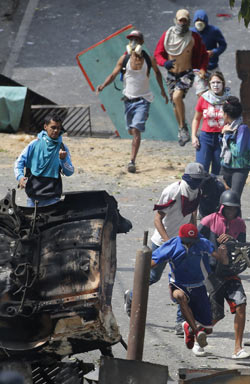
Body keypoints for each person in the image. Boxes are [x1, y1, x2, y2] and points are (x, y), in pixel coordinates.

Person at [124, 162, 206, 336]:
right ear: (188, 178)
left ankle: (180, 322)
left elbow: (193, 216)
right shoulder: (173, 191)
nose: (198, 183)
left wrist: (193, 237)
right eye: (196, 180)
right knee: (152, 277)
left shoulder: (197, 192)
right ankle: (131, 295)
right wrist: (169, 244)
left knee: (183, 282)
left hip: (183, 243)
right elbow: (157, 220)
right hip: (163, 242)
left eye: (200, 180)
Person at [97, 30, 168, 173]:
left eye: (136, 39)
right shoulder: (124, 59)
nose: (133, 43)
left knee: (136, 130)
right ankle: (138, 120)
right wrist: (103, 85)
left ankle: (132, 161)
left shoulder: (148, 59)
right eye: (131, 40)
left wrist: (162, 91)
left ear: (141, 43)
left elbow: (158, 73)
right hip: (128, 100)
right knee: (130, 130)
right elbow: (113, 74)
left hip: (143, 100)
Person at [151, 223, 228, 356]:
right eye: (187, 242)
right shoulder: (172, 245)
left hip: (199, 285)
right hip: (178, 284)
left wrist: (223, 254)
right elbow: (152, 262)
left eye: (193, 242)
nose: (190, 245)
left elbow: (223, 261)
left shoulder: (202, 243)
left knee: (208, 329)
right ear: (181, 239)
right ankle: (196, 332)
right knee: (181, 297)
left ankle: (189, 329)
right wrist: (143, 263)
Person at [198, 190, 250, 359]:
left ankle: (238, 349)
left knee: (241, 305)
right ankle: (196, 336)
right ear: (221, 207)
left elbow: (242, 248)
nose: (231, 212)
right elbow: (196, 241)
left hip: (231, 272)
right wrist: (213, 251)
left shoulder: (240, 225)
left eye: (234, 209)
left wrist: (233, 242)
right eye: (227, 209)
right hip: (212, 273)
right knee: (216, 315)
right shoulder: (209, 221)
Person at [154, 8, 209, 146]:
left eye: (185, 20)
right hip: (172, 74)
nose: (182, 23)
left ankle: (185, 127)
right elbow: (158, 54)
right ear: (176, 20)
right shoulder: (167, 36)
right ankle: (181, 128)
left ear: (189, 21)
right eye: (180, 20)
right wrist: (164, 62)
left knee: (177, 97)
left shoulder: (193, 37)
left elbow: (203, 55)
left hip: (187, 73)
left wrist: (202, 69)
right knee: (175, 103)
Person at [14, 114, 74, 207]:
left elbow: (69, 172)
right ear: (45, 127)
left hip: (52, 196)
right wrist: (20, 177)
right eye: (53, 127)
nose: (56, 131)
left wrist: (63, 160)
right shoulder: (34, 144)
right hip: (33, 195)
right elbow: (19, 162)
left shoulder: (62, 148)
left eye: (58, 128)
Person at [191, 71, 230, 174]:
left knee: (218, 171)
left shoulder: (229, 100)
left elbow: (236, 119)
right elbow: (196, 119)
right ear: (209, 84)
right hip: (205, 138)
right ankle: (202, 190)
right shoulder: (204, 98)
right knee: (201, 170)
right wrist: (194, 136)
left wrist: (229, 129)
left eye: (218, 82)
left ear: (223, 83)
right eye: (213, 83)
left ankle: (215, 190)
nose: (216, 85)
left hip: (222, 139)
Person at [219, 96, 250, 196]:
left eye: (222, 112)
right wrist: (222, 135)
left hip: (239, 168)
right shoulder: (227, 127)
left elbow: (237, 152)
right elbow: (223, 147)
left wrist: (228, 136)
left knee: (233, 198)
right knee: (221, 195)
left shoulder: (243, 129)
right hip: (225, 166)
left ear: (226, 114)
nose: (222, 115)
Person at [191, 9, 227, 96]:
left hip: (212, 67)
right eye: (197, 20)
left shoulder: (214, 31)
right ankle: (202, 109)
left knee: (219, 92)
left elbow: (223, 45)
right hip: (198, 70)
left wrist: (214, 52)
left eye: (202, 20)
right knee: (201, 94)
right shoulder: (191, 33)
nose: (199, 23)